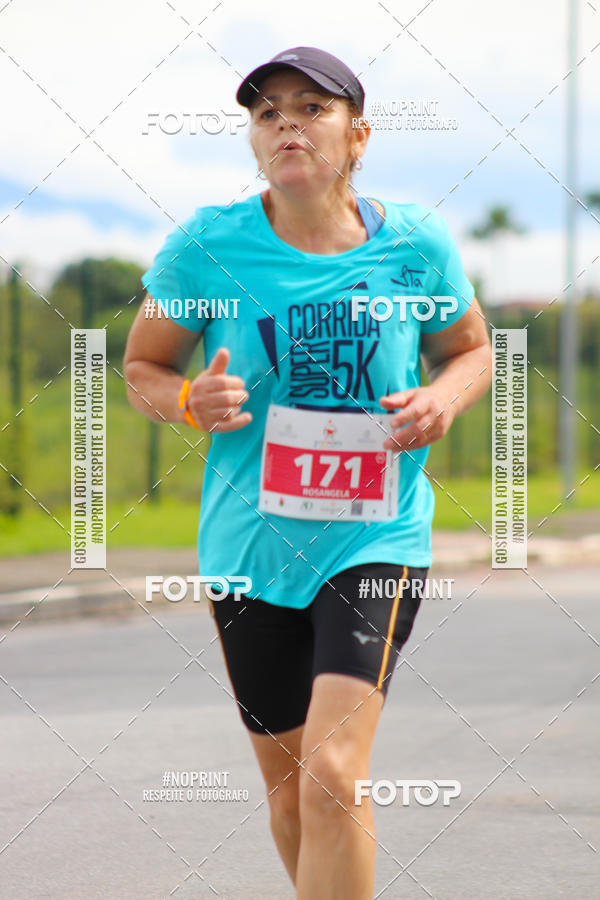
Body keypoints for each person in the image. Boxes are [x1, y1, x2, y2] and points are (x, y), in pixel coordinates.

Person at [124, 46, 492, 899]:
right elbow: (142, 367)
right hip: (248, 545)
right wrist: (188, 401)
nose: (287, 122)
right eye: (267, 112)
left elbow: (470, 350)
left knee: (332, 773)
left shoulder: (415, 246)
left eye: (312, 107)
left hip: (376, 536)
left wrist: (445, 398)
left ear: (357, 138)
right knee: (291, 794)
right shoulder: (204, 248)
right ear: (254, 143)